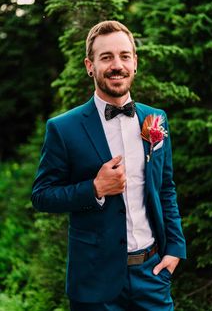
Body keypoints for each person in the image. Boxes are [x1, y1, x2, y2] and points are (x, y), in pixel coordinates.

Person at [32, 20, 186, 311]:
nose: (117, 65)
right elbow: (42, 196)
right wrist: (94, 188)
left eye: (124, 56)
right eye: (106, 57)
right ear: (90, 66)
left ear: (135, 62)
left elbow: (166, 188)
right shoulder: (63, 128)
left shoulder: (156, 119)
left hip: (152, 274)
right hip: (94, 282)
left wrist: (175, 250)